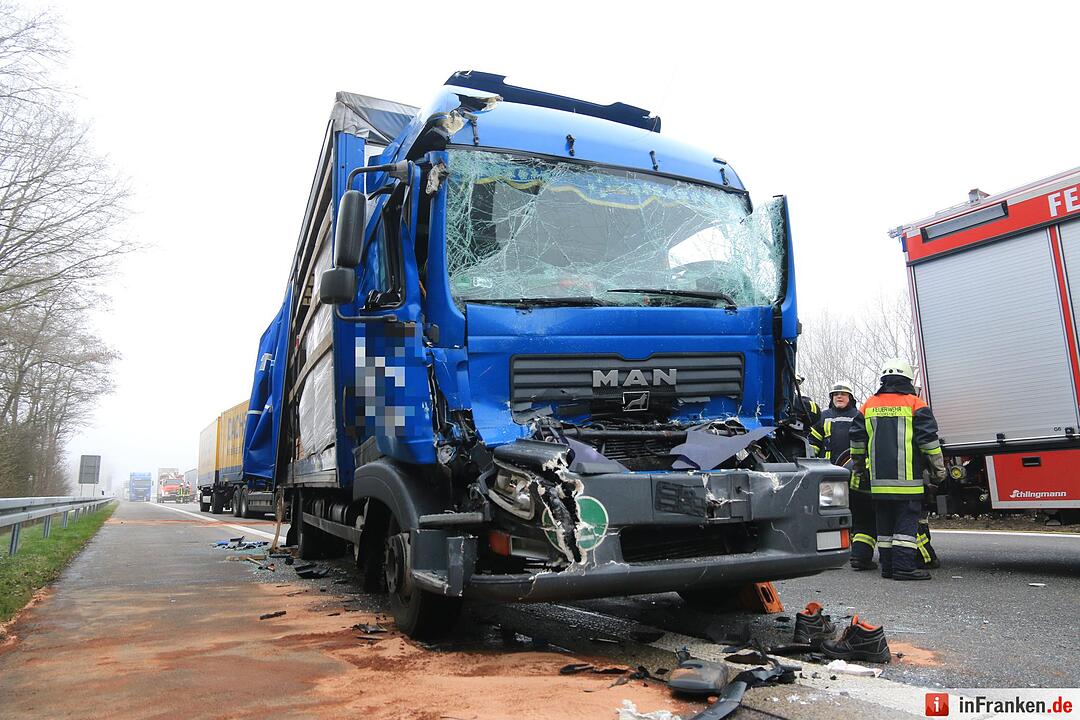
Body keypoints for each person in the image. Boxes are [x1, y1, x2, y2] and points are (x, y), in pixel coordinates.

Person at [849, 358, 946, 581]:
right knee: (905, 525)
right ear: (907, 380)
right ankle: (903, 568)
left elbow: (856, 440)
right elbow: (928, 442)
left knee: (883, 526)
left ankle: (888, 567)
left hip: (878, 482)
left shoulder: (869, 405)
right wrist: (938, 470)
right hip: (907, 481)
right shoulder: (915, 403)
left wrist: (859, 466)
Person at [811, 381, 877, 570]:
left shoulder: (859, 416)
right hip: (830, 476)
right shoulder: (823, 417)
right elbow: (814, 443)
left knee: (857, 512)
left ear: (850, 398)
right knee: (832, 514)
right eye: (835, 394)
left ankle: (855, 550)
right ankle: (831, 553)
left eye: (843, 394)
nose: (839, 397)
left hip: (855, 474)